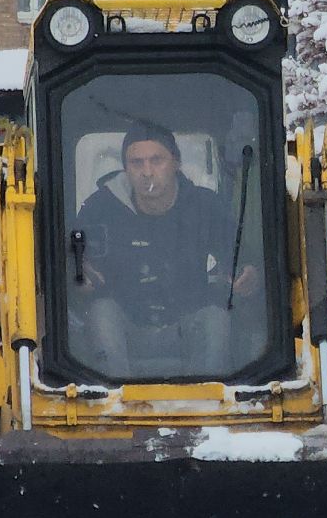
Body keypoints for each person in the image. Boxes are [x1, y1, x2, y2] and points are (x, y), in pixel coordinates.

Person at [71, 122, 259, 378]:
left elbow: (240, 255)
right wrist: (78, 276)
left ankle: (207, 397)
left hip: (187, 324)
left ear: (176, 163)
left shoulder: (204, 206)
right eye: (137, 163)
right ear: (125, 168)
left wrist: (248, 275)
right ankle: (111, 399)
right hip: (124, 329)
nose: (147, 172)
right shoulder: (99, 208)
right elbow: (69, 260)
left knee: (215, 318)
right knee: (101, 313)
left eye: (156, 160)